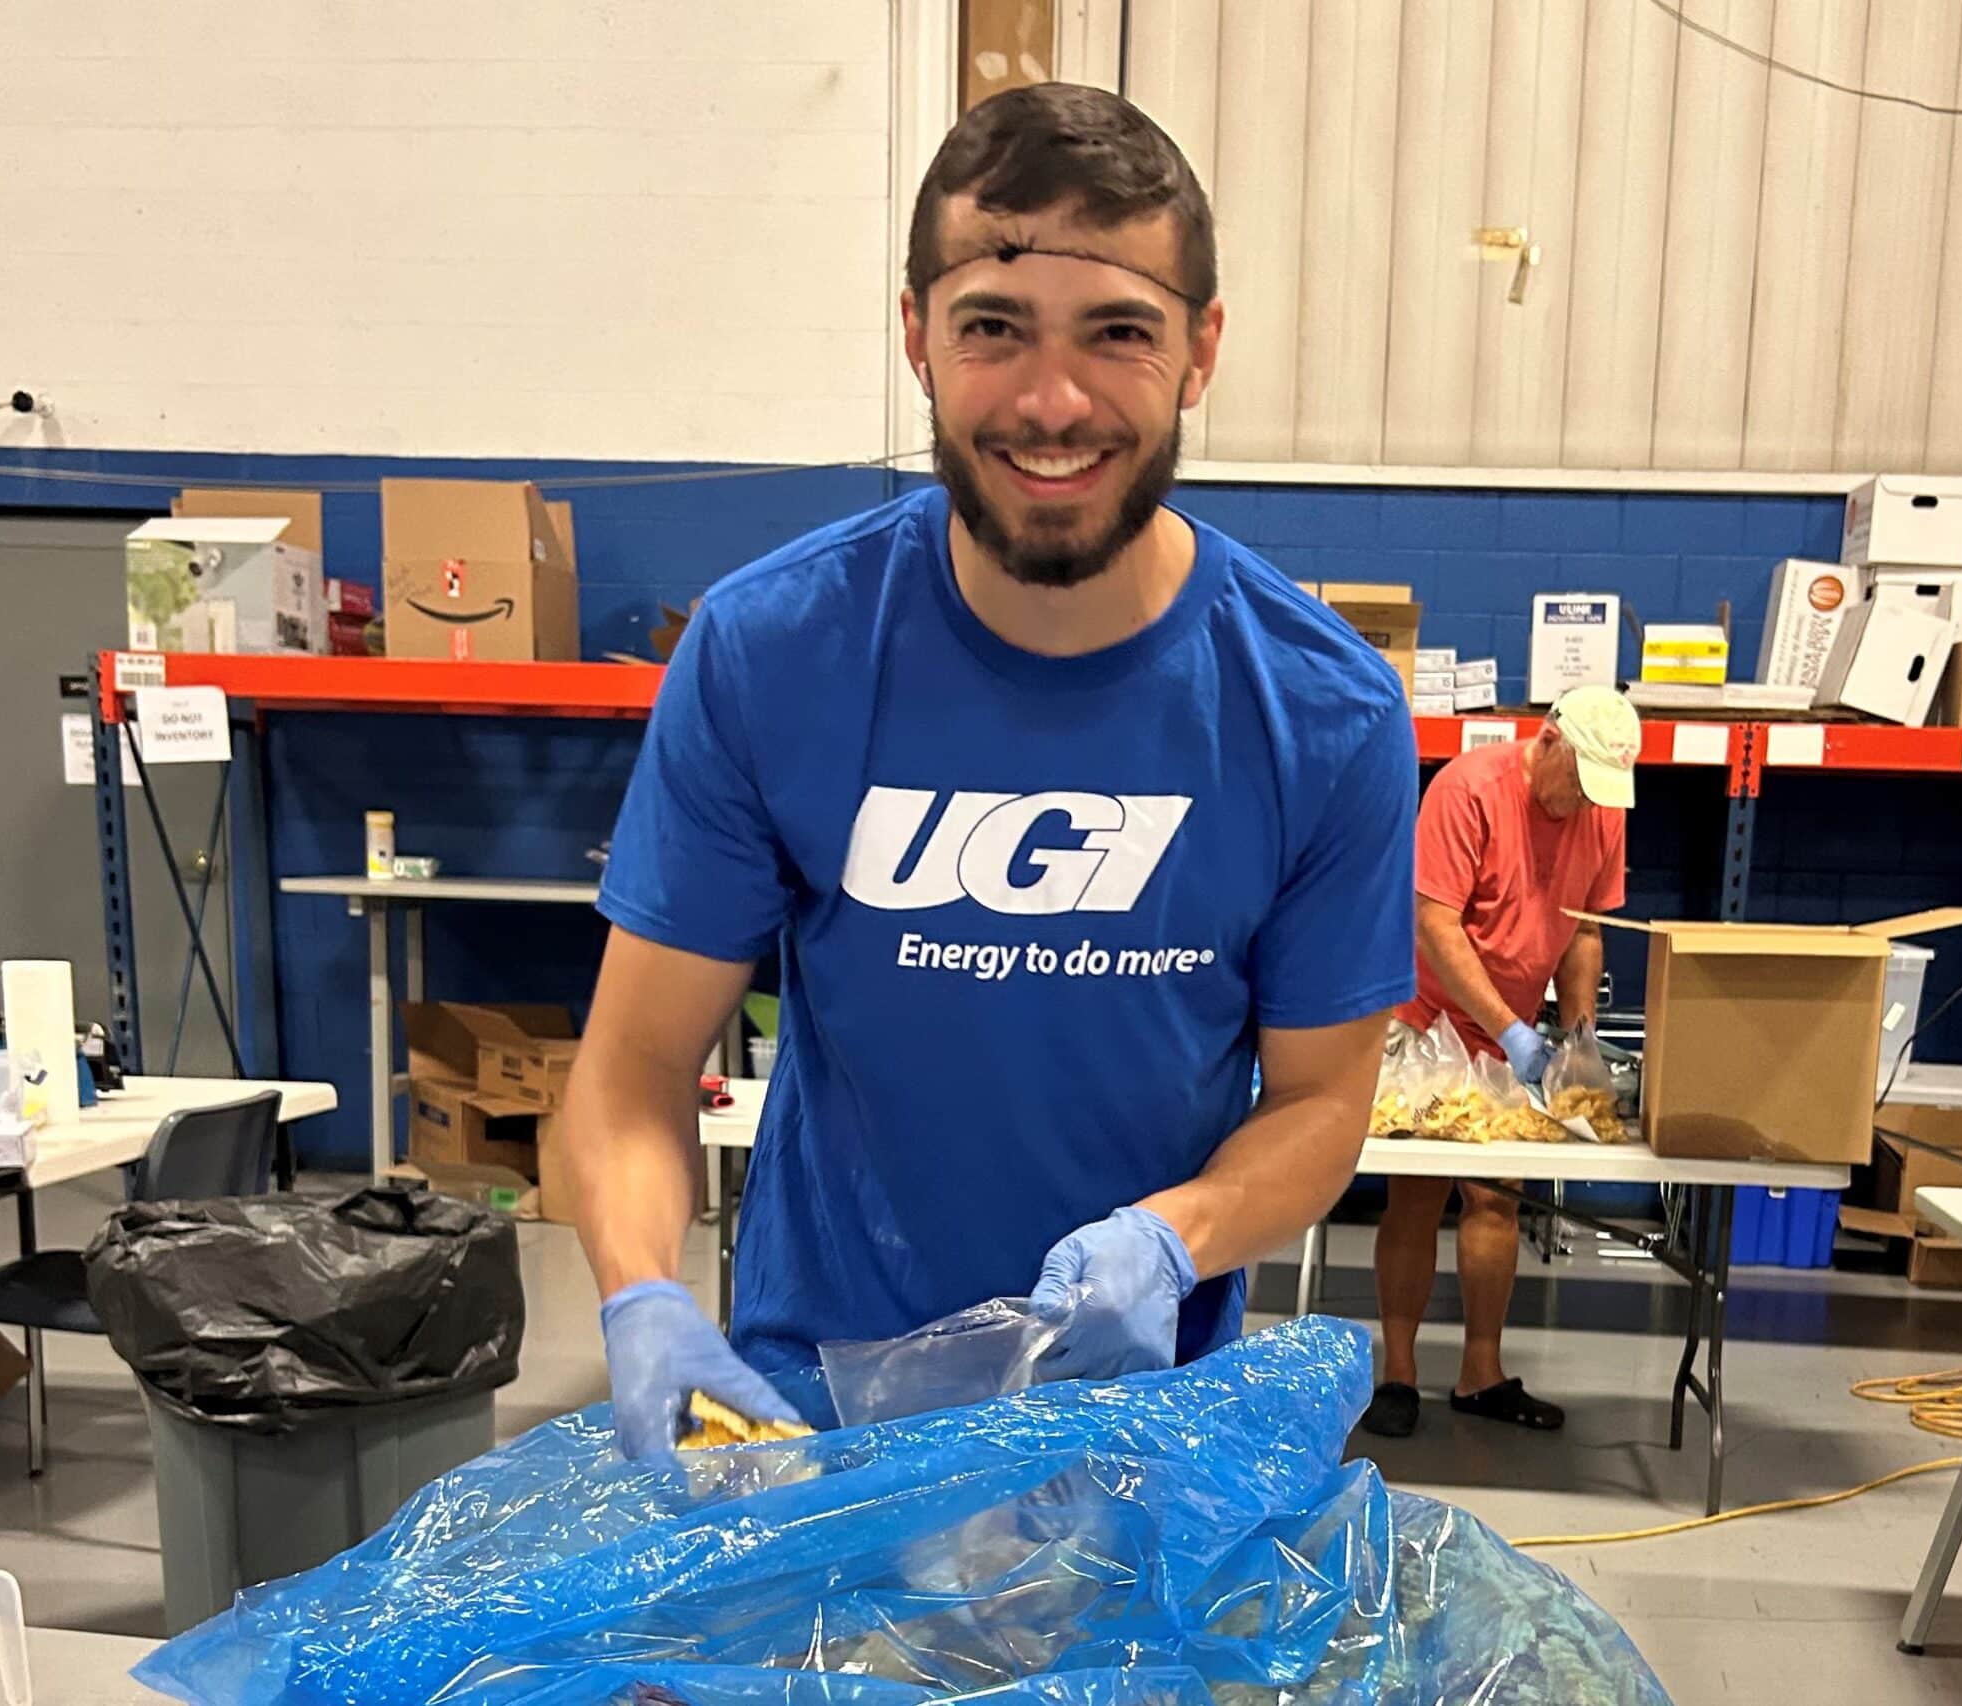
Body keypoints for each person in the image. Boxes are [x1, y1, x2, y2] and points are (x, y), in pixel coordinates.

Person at [560, 82, 1419, 1460]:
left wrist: (1172, 1235)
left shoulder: (1323, 710)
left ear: (1200, 350)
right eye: (993, 329)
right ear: (916, 337)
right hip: (804, 1428)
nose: (1052, 399)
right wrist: (647, 1291)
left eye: (1119, 334)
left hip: (1131, 1437)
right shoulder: (770, 654)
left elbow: (1323, 1104)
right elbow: (636, 1064)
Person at [1361, 686, 1640, 1439]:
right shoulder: (1468, 789)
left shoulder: (1601, 807)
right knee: (1416, 1197)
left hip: (1507, 1025)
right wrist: (1511, 1031)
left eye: (1599, 790)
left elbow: (1584, 932)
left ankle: (1481, 1373)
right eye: (1577, 779)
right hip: (1425, 1019)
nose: (1584, 800)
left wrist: (1577, 1035)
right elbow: (1435, 924)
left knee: (1496, 1199)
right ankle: (1398, 1373)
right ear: (1548, 740)